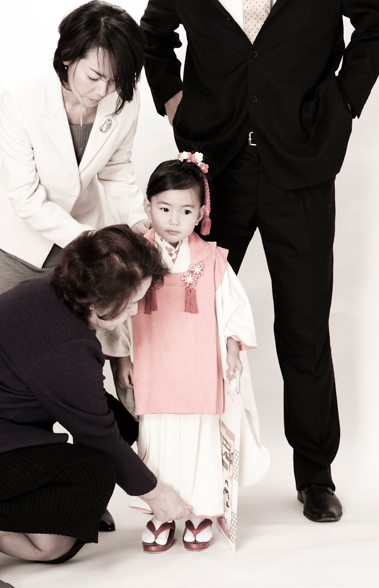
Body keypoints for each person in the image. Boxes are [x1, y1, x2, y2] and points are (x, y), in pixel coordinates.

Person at [141, 0, 379, 522]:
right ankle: (188, 471)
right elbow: (152, 34)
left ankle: (314, 474)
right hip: (215, 174)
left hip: (300, 169)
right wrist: (173, 99)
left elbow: (377, 24)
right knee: (191, 322)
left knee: (304, 327)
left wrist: (341, 103)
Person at [0, 226, 188, 587]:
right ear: (98, 302)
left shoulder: (47, 293)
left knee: (56, 545)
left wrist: (145, 436)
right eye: (129, 304)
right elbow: (98, 436)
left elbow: (91, 406)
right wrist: (156, 493)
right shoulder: (67, 347)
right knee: (93, 472)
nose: (133, 312)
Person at [100, 155, 269, 552]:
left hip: (199, 366)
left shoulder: (213, 259)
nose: (174, 220)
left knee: (199, 439)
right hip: (154, 365)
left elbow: (233, 308)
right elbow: (118, 313)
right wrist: (122, 359)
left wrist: (232, 348)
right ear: (147, 207)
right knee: (158, 439)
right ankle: (160, 514)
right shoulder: (133, 257)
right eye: (164, 209)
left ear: (201, 214)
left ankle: (200, 510)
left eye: (186, 211)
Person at [0, 0, 150, 302]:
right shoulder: (22, 98)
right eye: (94, 77)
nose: (102, 91)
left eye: (114, 81)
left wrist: (138, 217)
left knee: (70, 331)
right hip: (18, 245)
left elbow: (115, 170)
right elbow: (24, 197)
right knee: (10, 329)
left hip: (79, 250)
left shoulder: (125, 98)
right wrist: (90, 239)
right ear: (68, 57)